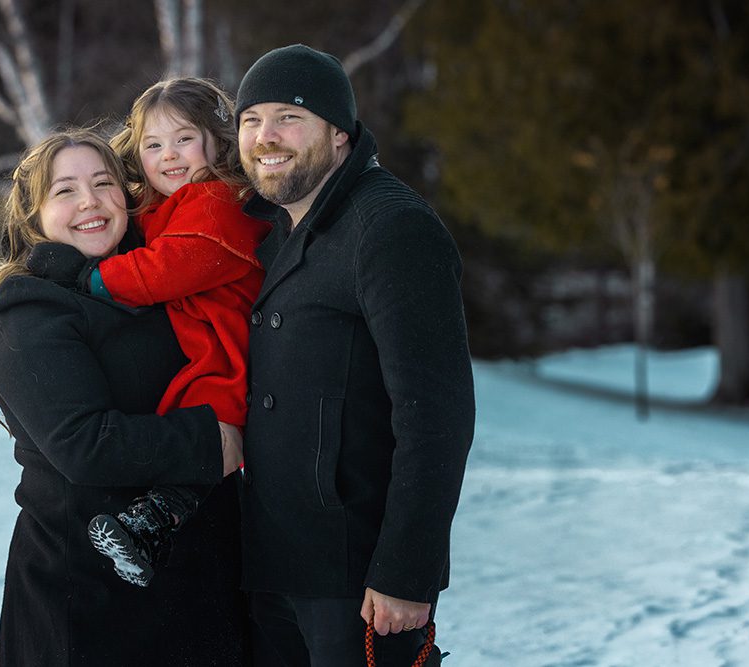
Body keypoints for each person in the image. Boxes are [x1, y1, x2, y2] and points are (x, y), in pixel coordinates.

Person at [0, 127, 249, 666]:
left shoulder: (155, 277)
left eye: (103, 182)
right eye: (64, 190)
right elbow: (83, 444)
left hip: (199, 585)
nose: (89, 201)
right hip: (88, 600)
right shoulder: (28, 310)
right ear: (33, 214)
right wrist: (214, 440)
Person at [233, 44, 476, 666]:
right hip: (275, 566)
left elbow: (435, 415)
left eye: (289, 116)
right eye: (251, 119)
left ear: (339, 133)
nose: (266, 137)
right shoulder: (272, 227)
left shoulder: (391, 227)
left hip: (358, 581)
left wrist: (408, 570)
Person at [25, 78, 270, 587]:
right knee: (199, 430)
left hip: (224, 346)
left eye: (184, 139)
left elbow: (163, 269)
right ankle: (152, 524)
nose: (169, 155)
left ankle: (154, 521)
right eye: (153, 145)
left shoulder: (218, 203)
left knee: (214, 431)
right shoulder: (168, 203)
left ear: (216, 139)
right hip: (201, 337)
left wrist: (88, 278)